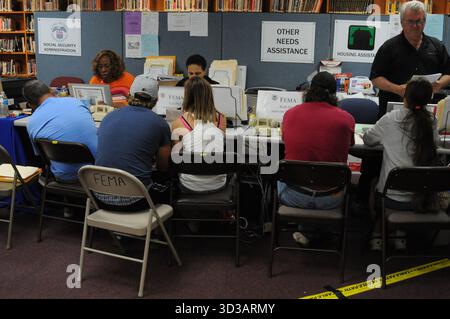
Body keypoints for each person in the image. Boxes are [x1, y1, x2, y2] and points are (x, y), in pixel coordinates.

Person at [363, 79, 440, 249]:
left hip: (391, 200)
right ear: (429, 99)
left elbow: (368, 140)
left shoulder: (391, 118)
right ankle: (400, 235)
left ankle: (377, 235)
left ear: (405, 97)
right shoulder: (432, 122)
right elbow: (436, 145)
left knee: (374, 184)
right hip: (421, 200)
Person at [280, 71, 355, 246]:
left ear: (309, 90)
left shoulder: (290, 115)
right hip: (332, 197)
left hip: (294, 195)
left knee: (276, 173)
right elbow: (350, 145)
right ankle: (317, 230)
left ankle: (307, 230)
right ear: (334, 94)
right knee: (323, 173)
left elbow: (285, 139)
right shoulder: (346, 119)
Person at [95, 77, 171, 211]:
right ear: (156, 100)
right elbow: (163, 167)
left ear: (129, 95)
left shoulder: (108, 117)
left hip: (99, 197)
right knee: (169, 182)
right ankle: (159, 229)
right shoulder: (160, 124)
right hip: (136, 200)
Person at [370, 0, 450, 119]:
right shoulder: (389, 47)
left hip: (428, 111)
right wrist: (398, 89)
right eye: (410, 21)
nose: (415, 26)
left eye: (419, 21)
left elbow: (448, 73)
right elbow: (375, 79)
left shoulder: (437, 46)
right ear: (402, 22)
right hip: (395, 110)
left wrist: (438, 85)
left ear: (424, 22)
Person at [24, 80, 97, 182]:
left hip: (64, 177)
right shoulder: (75, 102)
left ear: (30, 104)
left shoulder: (31, 123)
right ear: (51, 91)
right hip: (96, 172)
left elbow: (40, 154)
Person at [171, 76, 226, 193]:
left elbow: (177, 156)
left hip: (189, 184)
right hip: (218, 183)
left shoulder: (178, 123)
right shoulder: (221, 119)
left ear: (186, 96)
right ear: (209, 95)